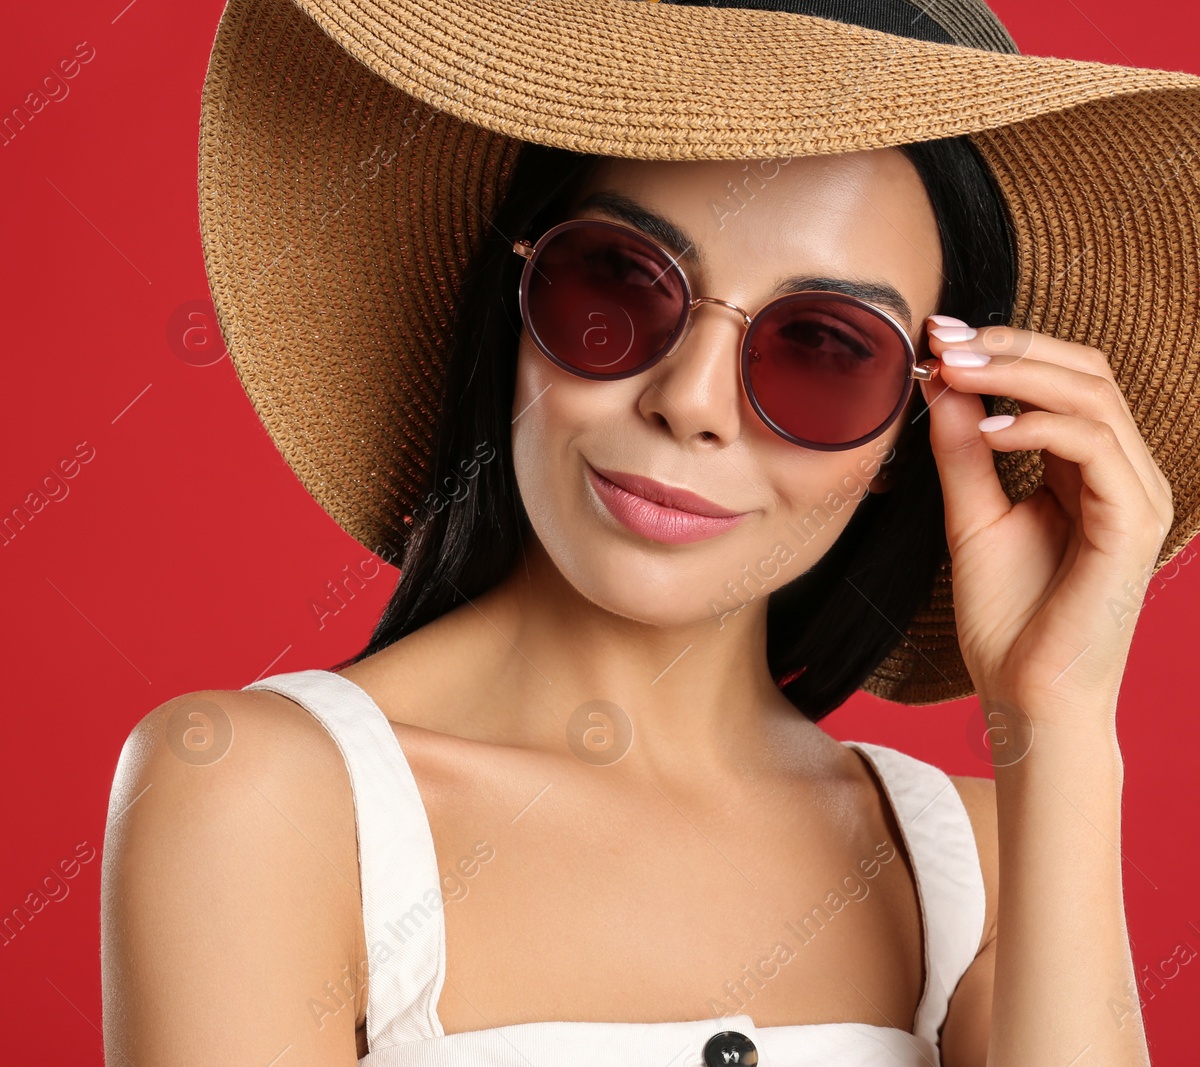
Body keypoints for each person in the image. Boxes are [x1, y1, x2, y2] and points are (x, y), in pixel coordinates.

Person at [103, 0, 1200, 1064]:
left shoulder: (977, 864)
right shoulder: (256, 793)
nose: (693, 401)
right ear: (513, 303)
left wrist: (1053, 719)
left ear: (917, 435)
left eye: (824, 349)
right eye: (620, 284)